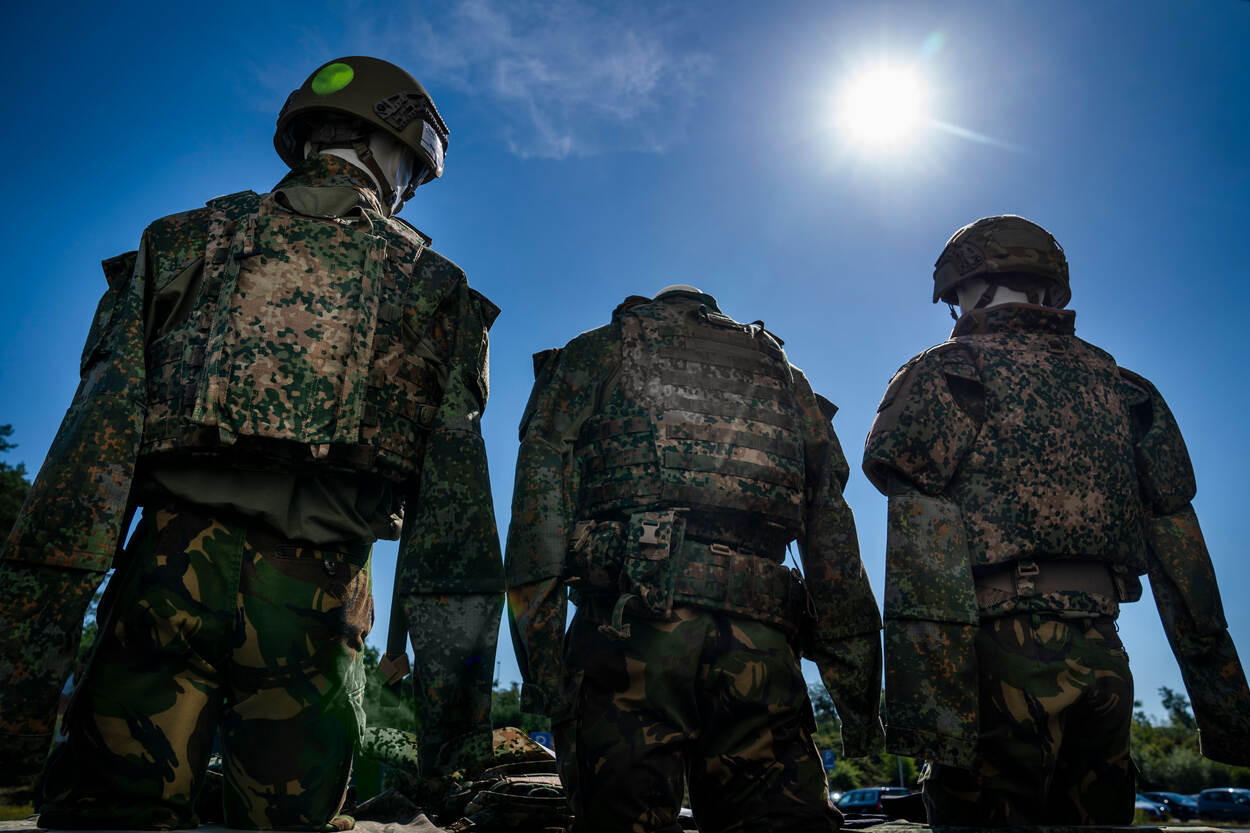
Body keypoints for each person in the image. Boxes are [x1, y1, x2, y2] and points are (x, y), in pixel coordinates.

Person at [0, 56, 503, 829]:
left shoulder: (178, 244)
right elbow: (452, 539)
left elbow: (84, 471)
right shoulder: (440, 290)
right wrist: (456, 734)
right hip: (319, 599)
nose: (410, 189)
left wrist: (21, 691)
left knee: (109, 814)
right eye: (414, 168)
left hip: (165, 574)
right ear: (392, 148)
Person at [862, 215, 1250, 825]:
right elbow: (1185, 560)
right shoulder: (1126, 389)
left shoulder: (949, 372)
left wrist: (930, 717)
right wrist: (1227, 711)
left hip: (998, 647)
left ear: (967, 287)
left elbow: (917, 540)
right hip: (1105, 652)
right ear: (1050, 286)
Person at [505, 285, 883, 833]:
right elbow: (834, 540)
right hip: (762, 640)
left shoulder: (596, 351)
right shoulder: (785, 376)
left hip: (629, 634)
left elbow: (538, 522)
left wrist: (544, 675)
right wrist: (857, 703)